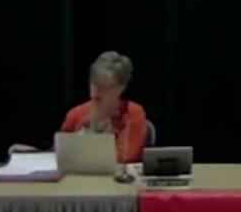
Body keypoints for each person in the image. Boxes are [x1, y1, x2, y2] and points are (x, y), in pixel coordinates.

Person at [15, 52, 151, 165]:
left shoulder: (133, 113)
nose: (97, 90)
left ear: (121, 88)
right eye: (94, 83)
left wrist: (93, 134)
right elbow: (59, 155)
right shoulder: (75, 114)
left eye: (105, 86)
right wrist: (31, 154)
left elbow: (124, 158)